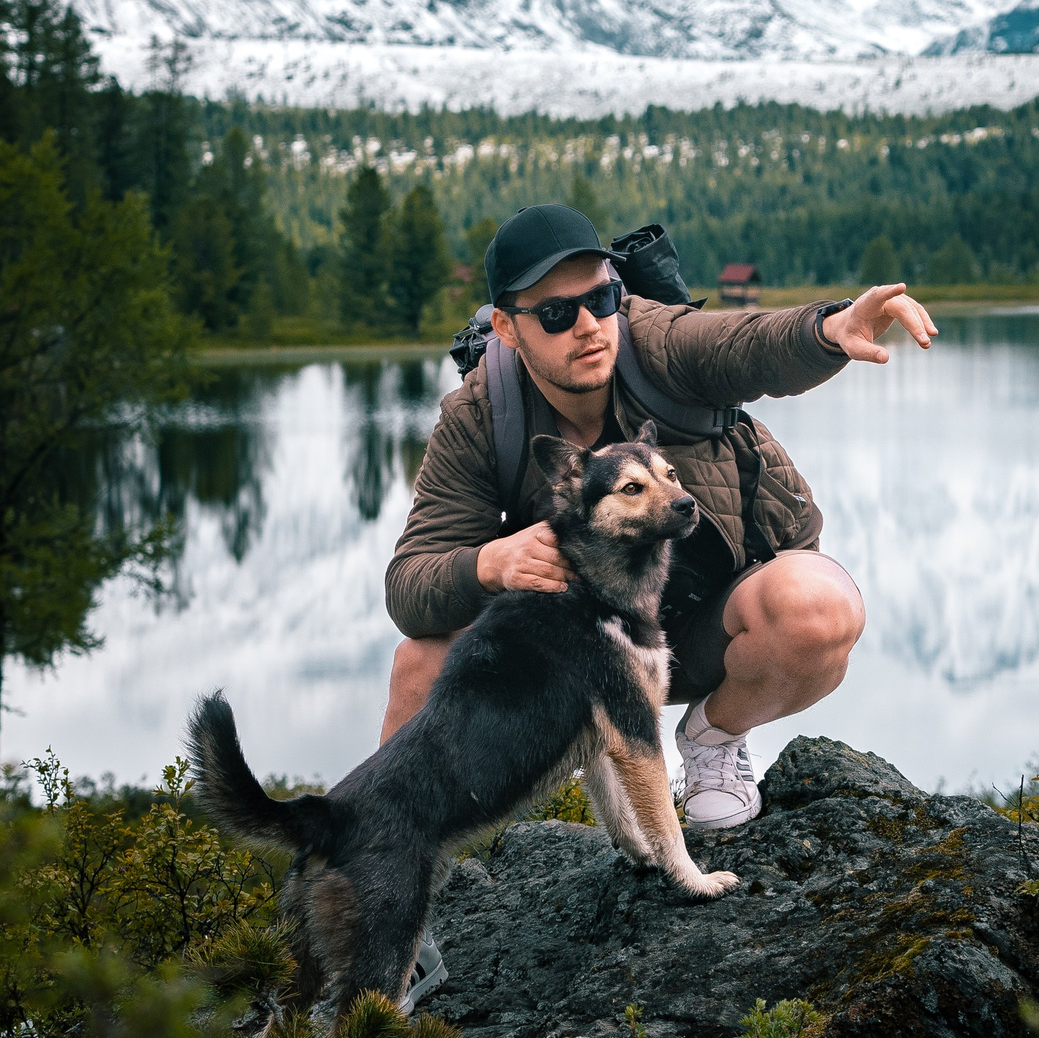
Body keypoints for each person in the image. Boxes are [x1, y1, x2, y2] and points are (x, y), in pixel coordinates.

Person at [382, 203, 937, 829]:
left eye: (601, 297)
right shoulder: (480, 414)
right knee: (420, 664)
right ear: (509, 329)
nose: (590, 326)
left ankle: (713, 740)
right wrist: (488, 563)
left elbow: (743, 343)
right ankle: (388, 858)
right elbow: (409, 587)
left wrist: (828, 330)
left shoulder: (653, 342)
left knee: (819, 611)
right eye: (557, 314)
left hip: (709, 625)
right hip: (573, 651)